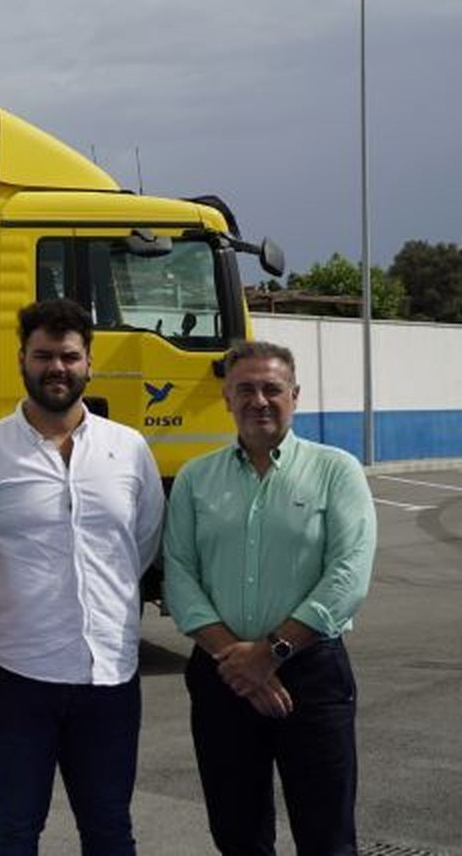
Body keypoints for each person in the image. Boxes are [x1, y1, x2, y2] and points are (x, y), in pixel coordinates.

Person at [0, 298, 164, 855]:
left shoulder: (128, 450)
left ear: (90, 362)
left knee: (110, 828)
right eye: (43, 355)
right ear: (21, 360)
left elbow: (139, 544)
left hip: (109, 676)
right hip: (14, 678)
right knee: (15, 829)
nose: (56, 368)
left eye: (68, 356)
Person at [162, 340, 376, 855]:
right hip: (223, 677)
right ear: (226, 399)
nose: (260, 400)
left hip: (312, 674)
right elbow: (180, 576)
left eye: (272, 389)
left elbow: (349, 574)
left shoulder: (336, 470)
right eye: (246, 389)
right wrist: (240, 662)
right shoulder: (195, 478)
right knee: (238, 833)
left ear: (295, 396)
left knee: (326, 835)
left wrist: (270, 653)